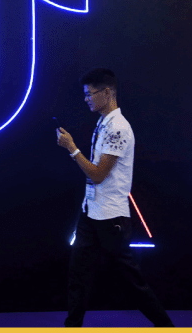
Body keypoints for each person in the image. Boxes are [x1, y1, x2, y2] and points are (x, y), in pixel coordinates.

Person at [56, 68, 174, 327]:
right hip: (90, 212)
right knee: (78, 276)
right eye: (85, 94)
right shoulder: (103, 122)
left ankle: (167, 327)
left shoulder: (119, 128)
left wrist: (72, 148)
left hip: (111, 219)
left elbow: (98, 175)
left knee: (132, 283)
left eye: (90, 94)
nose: (86, 99)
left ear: (107, 93)